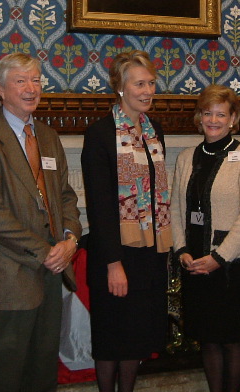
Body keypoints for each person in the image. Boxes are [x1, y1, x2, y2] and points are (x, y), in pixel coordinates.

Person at [0, 52, 82, 392]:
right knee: (2, 377)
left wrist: (72, 240)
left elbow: (65, 197)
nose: (31, 88)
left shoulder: (47, 137)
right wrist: (46, 250)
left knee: (42, 374)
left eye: (36, 80)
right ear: (0, 89)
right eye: (21, 81)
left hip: (51, 275)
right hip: (8, 279)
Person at [81, 50, 172, 392]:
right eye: (139, 84)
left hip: (148, 253)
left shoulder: (154, 130)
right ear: (120, 87)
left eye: (151, 83)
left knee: (135, 340)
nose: (147, 90)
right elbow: (100, 207)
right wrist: (113, 263)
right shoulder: (100, 134)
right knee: (111, 340)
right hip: (115, 255)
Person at [171, 85, 240, 392]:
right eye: (208, 113)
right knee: (208, 339)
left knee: (231, 341)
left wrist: (219, 257)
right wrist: (181, 249)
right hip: (196, 262)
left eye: (221, 114)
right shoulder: (186, 157)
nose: (213, 120)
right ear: (199, 117)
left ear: (233, 118)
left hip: (232, 266)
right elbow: (175, 209)